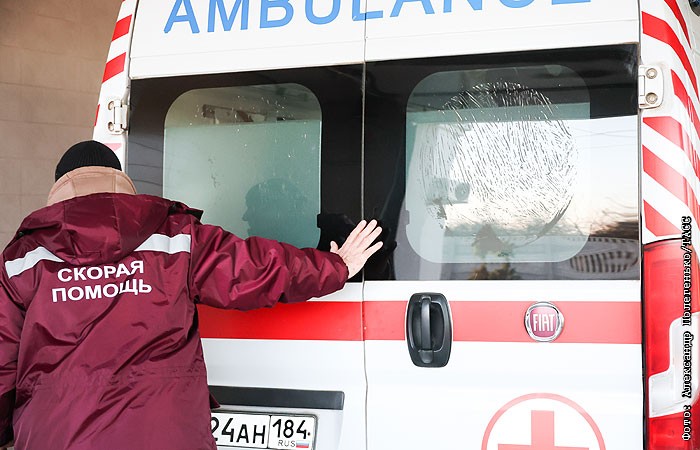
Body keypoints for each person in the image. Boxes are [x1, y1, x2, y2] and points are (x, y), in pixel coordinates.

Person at [0, 140, 382, 450]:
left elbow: (2, 365)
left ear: (59, 189)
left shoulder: (21, 261)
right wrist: (336, 265)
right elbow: (254, 267)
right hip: (167, 434)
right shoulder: (174, 238)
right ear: (120, 181)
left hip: (57, 436)